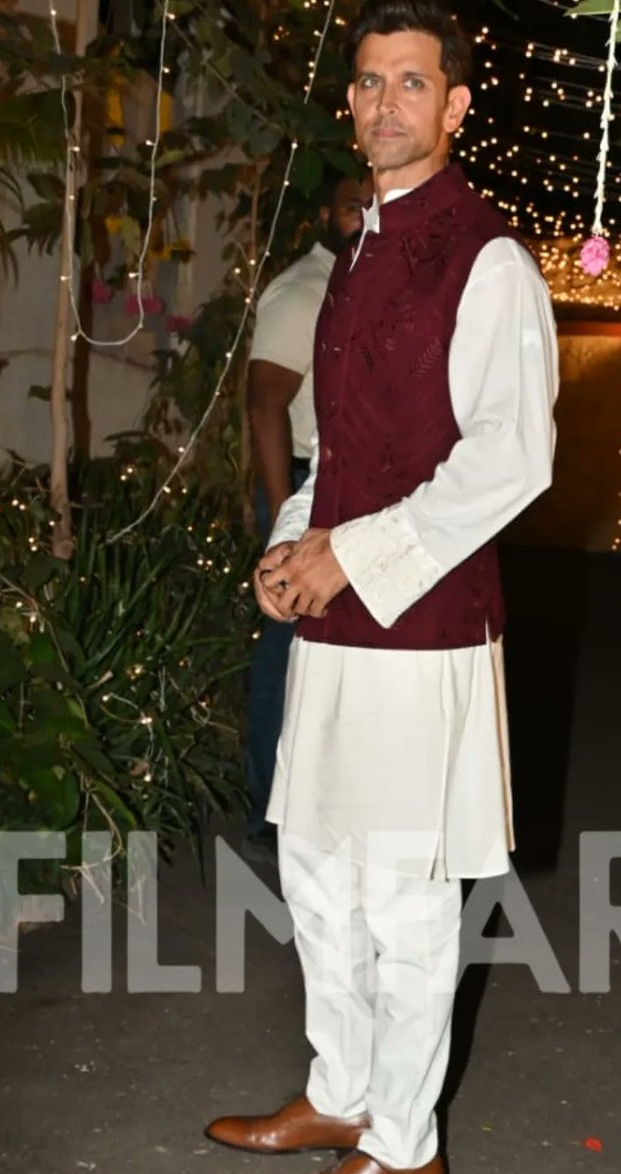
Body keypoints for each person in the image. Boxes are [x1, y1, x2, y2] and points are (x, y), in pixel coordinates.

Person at [207, 4, 558, 1174]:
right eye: (367, 83)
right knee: (314, 864)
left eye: (412, 83)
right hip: (340, 615)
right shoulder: (360, 250)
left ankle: (406, 1152)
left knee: (405, 899)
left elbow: (511, 460)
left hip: (423, 621)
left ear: (456, 107)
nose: (383, 104)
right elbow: (341, 447)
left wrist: (348, 555)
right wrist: (292, 537)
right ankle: (341, 1089)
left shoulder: (488, 257)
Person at [242, 173, 372, 865]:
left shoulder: (365, 282)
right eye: (354, 205)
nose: (366, 217)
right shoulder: (306, 290)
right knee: (284, 648)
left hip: (338, 489)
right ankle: (268, 810)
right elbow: (264, 404)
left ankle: (316, 804)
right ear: (326, 213)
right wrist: (280, 518)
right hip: (298, 483)